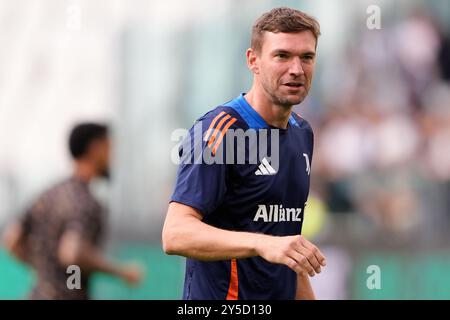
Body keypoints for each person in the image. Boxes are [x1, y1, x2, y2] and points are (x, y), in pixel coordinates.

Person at [162, 7, 326, 300]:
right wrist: (262, 244)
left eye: (307, 57)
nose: (297, 69)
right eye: (282, 56)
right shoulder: (222, 131)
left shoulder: (302, 133)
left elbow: (287, 249)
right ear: (254, 61)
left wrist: (276, 247)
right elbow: (175, 233)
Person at [2, 123, 142, 299]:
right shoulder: (85, 202)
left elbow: (11, 240)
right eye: (108, 148)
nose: (111, 157)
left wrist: (47, 272)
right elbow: (72, 253)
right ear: (95, 149)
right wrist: (121, 272)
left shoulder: (48, 195)